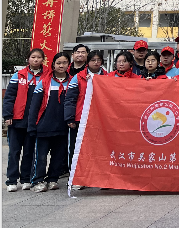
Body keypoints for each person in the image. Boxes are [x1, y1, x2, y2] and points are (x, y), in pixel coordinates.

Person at [4, 48, 47, 192]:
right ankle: (11, 180)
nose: (36, 60)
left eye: (39, 57)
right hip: (17, 120)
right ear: (28, 59)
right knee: (14, 152)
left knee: (29, 152)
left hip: (34, 121)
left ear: (43, 60)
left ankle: (26, 179)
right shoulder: (19, 75)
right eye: (33, 57)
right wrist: (7, 115)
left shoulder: (47, 75)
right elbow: (9, 97)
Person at [28, 52, 71, 192]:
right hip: (44, 127)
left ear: (68, 64)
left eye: (64, 63)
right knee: (40, 157)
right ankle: (37, 181)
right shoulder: (45, 81)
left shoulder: (72, 82)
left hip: (63, 127)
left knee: (58, 156)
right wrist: (32, 126)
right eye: (58, 63)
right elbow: (34, 106)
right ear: (53, 64)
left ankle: (53, 179)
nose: (61, 65)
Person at [64, 50, 106, 185]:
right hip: (80, 118)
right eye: (93, 60)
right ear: (88, 62)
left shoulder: (107, 76)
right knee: (77, 149)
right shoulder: (78, 77)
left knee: (98, 149)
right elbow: (70, 99)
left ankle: (96, 178)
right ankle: (75, 178)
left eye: (98, 60)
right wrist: (70, 118)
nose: (96, 62)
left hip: (100, 119)